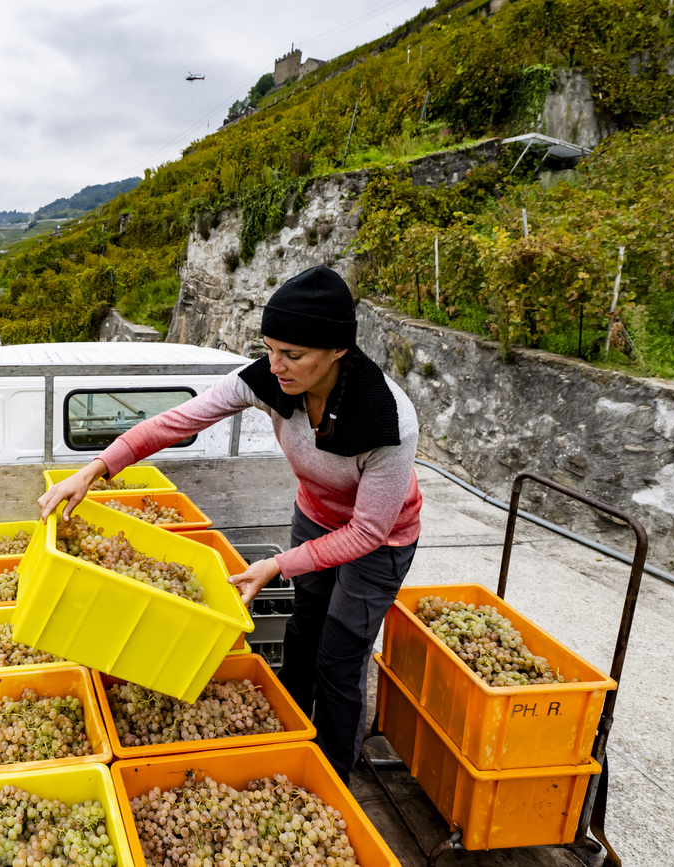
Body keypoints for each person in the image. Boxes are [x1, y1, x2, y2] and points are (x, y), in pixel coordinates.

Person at [37, 265, 421, 782]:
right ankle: (289, 739)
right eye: (270, 349)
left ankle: (332, 773)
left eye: (293, 355)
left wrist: (277, 565)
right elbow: (178, 421)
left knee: (340, 655)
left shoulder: (387, 420)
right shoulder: (267, 380)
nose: (276, 366)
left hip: (380, 541)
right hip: (315, 516)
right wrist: (97, 467)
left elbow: (367, 532)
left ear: (337, 350)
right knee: (303, 633)